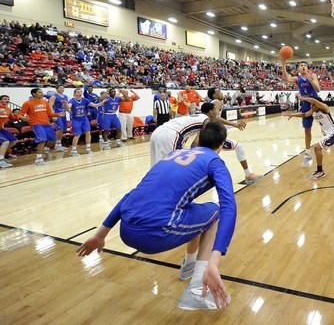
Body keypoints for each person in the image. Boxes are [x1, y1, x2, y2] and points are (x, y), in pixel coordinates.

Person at [77, 121, 235, 310]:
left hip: (125, 230)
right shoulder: (214, 162)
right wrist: (214, 262)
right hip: (155, 234)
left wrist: (100, 234)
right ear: (222, 143)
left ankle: (189, 267)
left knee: (192, 211)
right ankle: (196, 289)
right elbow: (229, 207)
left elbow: (132, 194)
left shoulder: (174, 153)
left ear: (198, 138)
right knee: (215, 213)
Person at [150, 99, 263, 183]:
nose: (217, 113)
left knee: (158, 166)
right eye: (215, 110)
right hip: (171, 134)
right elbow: (196, 143)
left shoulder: (199, 116)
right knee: (173, 166)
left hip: (158, 132)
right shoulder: (205, 120)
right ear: (210, 112)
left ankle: (153, 190)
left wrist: (234, 124)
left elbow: (195, 142)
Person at [281, 59, 321, 167]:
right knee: (307, 130)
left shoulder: (312, 76)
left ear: (307, 68)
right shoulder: (297, 79)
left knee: (326, 127)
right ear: (299, 68)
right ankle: (308, 153)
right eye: (301, 65)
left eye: (305, 65)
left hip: (316, 104)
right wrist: (284, 64)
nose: (303, 66)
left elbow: (318, 90)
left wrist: (310, 79)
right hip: (306, 104)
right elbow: (286, 79)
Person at [18, 88, 64, 166]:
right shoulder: (27, 103)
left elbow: (49, 114)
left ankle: (46, 149)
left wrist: (58, 114)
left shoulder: (45, 102)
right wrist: (22, 117)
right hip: (36, 124)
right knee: (42, 140)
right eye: (39, 92)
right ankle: (38, 159)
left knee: (53, 140)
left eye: (42, 92)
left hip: (46, 124)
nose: (42, 93)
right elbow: (20, 114)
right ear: (34, 94)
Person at [67, 88, 106, 156]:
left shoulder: (85, 100)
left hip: (84, 119)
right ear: (74, 94)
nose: (80, 93)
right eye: (78, 92)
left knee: (88, 132)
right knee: (77, 135)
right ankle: (73, 151)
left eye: (81, 92)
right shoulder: (72, 100)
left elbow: (95, 105)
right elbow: (68, 107)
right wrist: (66, 105)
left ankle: (88, 148)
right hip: (75, 119)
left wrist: (102, 102)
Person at [0, 94, 19, 168]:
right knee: (5, 142)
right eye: (5, 99)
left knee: (14, 140)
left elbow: (13, 118)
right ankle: (1, 161)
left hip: (1, 129)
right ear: (0, 100)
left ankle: (2, 155)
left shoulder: (8, 109)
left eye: (8, 99)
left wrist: (20, 117)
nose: (7, 100)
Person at [49, 85, 69, 152]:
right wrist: (53, 115)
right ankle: (57, 145)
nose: (62, 89)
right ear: (57, 89)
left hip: (63, 115)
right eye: (60, 88)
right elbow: (50, 106)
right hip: (57, 115)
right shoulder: (54, 96)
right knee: (59, 128)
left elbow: (66, 107)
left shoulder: (65, 97)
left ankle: (59, 144)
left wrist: (71, 112)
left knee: (62, 129)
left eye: (63, 88)